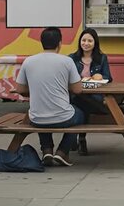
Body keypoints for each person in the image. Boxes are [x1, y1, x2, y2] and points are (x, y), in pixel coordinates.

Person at [12, 27, 85, 167]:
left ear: (41, 42)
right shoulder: (67, 61)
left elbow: (20, 89)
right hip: (63, 118)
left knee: (42, 110)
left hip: (36, 119)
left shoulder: (29, 61)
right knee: (81, 115)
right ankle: (62, 152)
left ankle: (47, 150)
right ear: (59, 43)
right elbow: (78, 89)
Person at [69, 28, 112, 156]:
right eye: (83, 40)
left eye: (89, 41)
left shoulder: (102, 58)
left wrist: (98, 79)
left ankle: (74, 139)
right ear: (79, 42)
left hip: (94, 95)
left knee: (82, 104)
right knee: (80, 103)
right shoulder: (72, 58)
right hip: (77, 94)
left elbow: (108, 77)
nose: (86, 43)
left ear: (95, 43)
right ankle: (80, 139)